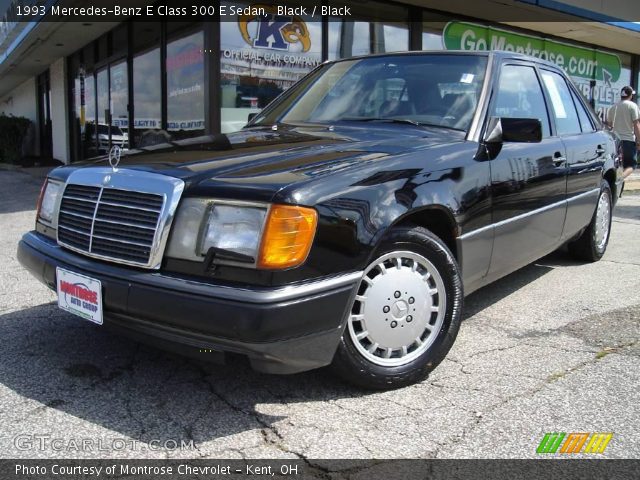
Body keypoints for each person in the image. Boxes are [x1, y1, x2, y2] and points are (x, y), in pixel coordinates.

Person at [606, 86, 640, 180]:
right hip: (628, 141)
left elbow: (609, 124)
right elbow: (636, 124)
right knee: (631, 165)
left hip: (616, 142)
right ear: (630, 95)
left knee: (620, 166)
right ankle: (619, 178)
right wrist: (639, 141)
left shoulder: (613, 107)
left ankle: (618, 186)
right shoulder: (632, 106)